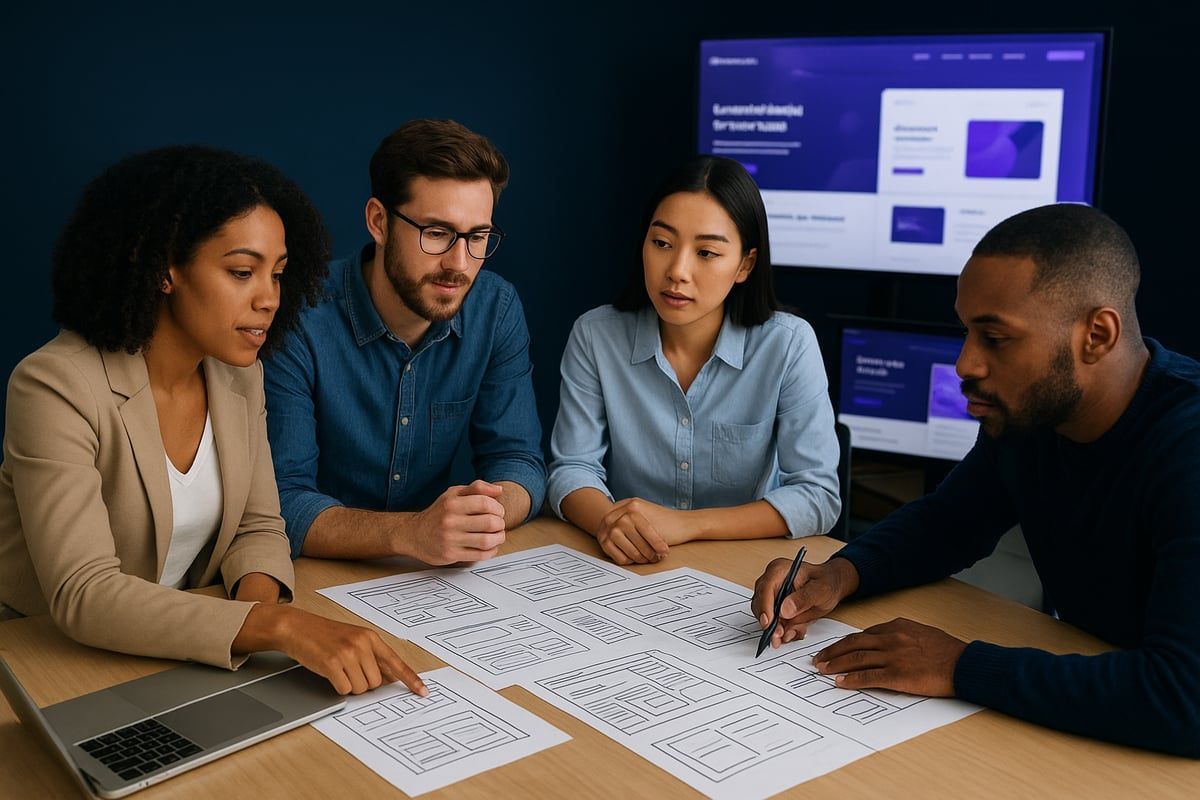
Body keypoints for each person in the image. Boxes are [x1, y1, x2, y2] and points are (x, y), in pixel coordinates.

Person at [751, 203, 1200, 756]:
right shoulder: (1032, 416)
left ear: (1097, 335)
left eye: (995, 338)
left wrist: (960, 666)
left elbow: (1185, 697)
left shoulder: (1185, 447)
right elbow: (949, 522)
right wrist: (843, 573)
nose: (965, 363)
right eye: (966, 332)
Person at [0, 147, 426, 697]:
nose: (269, 298)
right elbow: (85, 592)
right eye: (242, 272)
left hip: (188, 655)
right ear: (163, 269)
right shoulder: (54, 384)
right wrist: (276, 627)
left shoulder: (237, 374)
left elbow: (258, 526)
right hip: (51, 663)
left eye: (277, 274)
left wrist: (257, 618)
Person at [263, 120, 544, 564]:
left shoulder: (497, 308)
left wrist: (487, 512)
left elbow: (519, 460)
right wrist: (413, 532)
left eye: (478, 237)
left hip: (431, 580)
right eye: (436, 233)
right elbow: (282, 503)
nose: (459, 263)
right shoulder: (299, 313)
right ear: (379, 221)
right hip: (318, 574)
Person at [547, 156, 841, 566]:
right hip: (628, 567)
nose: (677, 271)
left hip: (747, 571)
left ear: (745, 265)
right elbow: (571, 469)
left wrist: (687, 524)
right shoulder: (596, 336)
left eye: (706, 252)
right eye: (662, 243)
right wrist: (609, 524)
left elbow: (817, 497)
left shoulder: (788, 345)